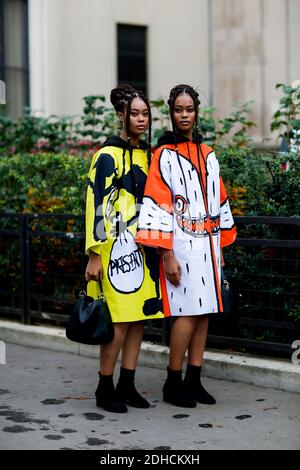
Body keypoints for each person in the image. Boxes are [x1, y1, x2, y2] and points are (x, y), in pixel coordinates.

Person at [136, 84, 236, 408]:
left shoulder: (209, 154)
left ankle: (194, 380)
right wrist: (166, 254)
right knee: (186, 314)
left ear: (196, 112)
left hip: (208, 244)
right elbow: (157, 204)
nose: (184, 115)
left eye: (189, 109)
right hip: (180, 245)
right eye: (178, 110)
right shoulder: (163, 155)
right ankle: (172, 381)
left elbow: (220, 201)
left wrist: (219, 245)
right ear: (171, 112)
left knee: (204, 313)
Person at [85, 83, 164, 413]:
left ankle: (127, 385)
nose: (142, 119)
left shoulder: (147, 155)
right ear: (122, 116)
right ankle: (105, 388)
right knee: (117, 323)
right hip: (114, 250)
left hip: (144, 249)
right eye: (135, 114)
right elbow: (96, 202)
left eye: (146, 114)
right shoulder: (107, 155)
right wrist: (93, 253)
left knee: (137, 320)